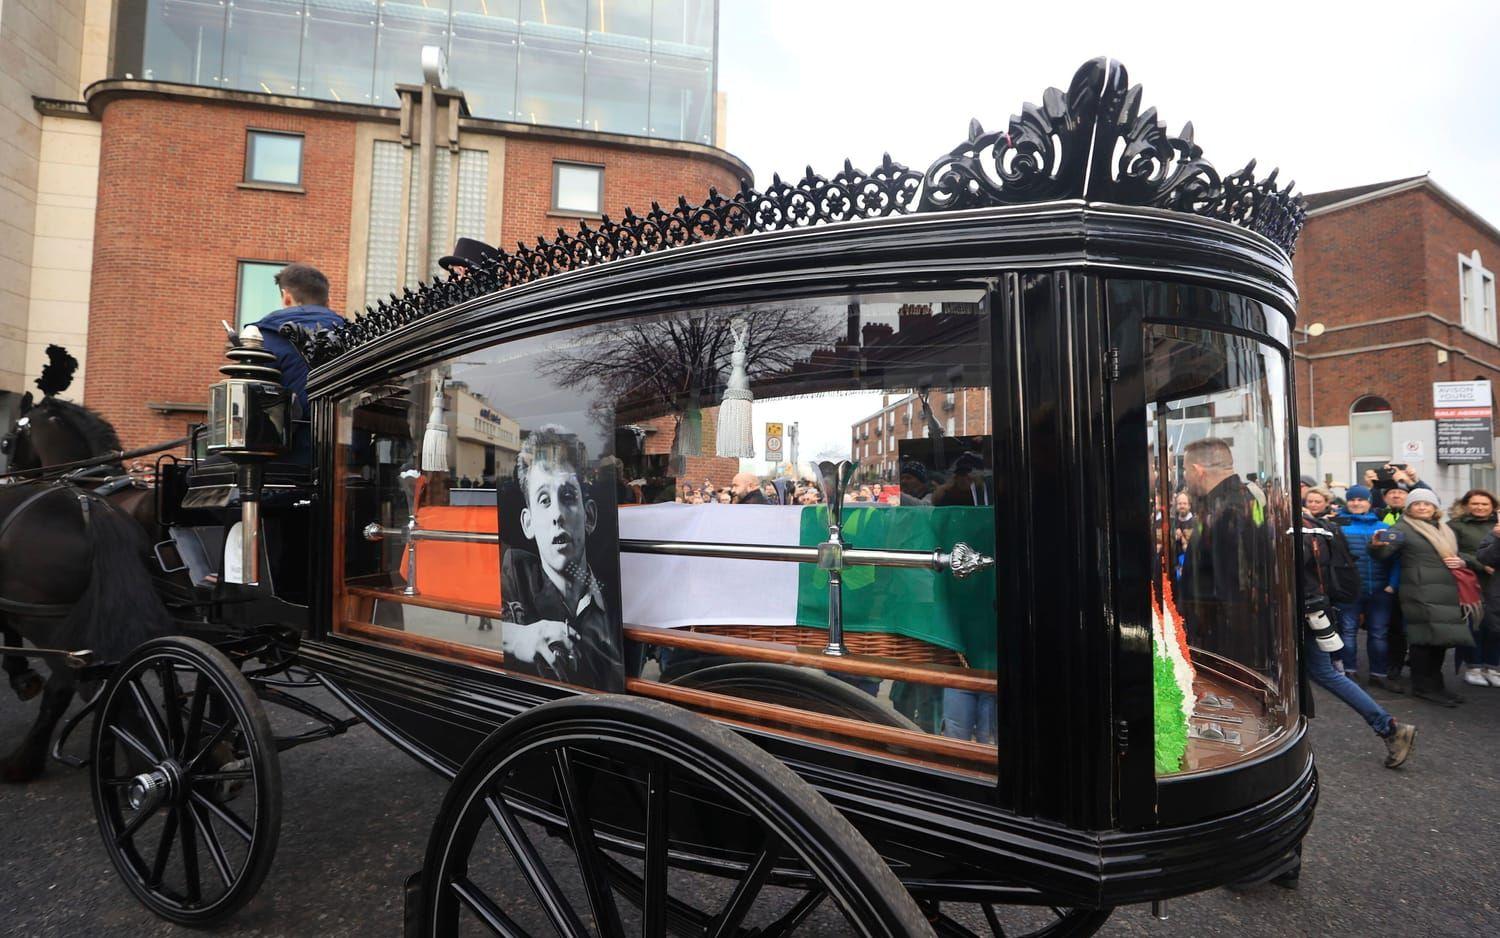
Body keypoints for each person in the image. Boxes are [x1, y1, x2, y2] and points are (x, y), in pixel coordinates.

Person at [499, 426, 624, 690]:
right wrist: (516, 637)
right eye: (544, 500)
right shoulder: (515, 571)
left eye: (567, 496)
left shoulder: (613, 597)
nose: (557, 513)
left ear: (589, 516)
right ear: (528, 522)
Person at [1299, 495, 1416, 768]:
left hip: (1301, 614)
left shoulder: (1294, 531)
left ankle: (1389, 727)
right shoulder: (1316, 526)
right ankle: (1389, 728)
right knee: (1323, 674)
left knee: (1320, 674)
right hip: (1316, 612)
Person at [1369, 488, 1477, 707]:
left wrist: (1464, 561)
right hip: (1419, 590)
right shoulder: (1403, 528)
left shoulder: (1442, 527)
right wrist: (1375, 546)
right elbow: (1383, 554)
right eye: (1416, 504)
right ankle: (1422, 686)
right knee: (1424, 639)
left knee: (1441, 641)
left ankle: (1437, 685)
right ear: (1409, 508)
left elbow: (1454, 554)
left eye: (1427, 504)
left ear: (1434, 507)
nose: (1422, 507)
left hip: (1445, 591)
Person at [250, 263, 345, 462]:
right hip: (343, 457)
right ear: (327, 301)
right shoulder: (353, 333)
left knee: (193, 475)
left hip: (285, 459)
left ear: (286, 297)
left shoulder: (263, 337)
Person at [1332, 485, 1398, 687]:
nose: (1356, 503)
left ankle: (1378, 673)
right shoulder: (1337, 527)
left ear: (1369, 502)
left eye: (1361, 500)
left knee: (1379, 633)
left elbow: (1396, 559)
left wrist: (1393, 584)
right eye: (1352, 500)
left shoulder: (1384, 528)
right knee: (1348, 631)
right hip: (1351, 590)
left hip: (1380, 589)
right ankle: (1349, 672)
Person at [1452, 489, 1500, 687]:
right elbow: (1454, 550)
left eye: (1484, 504)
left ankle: (1492, 666)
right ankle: (1474, 666)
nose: (1479, 507)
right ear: (1466, 505)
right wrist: (1482, 566)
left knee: (1495, 627)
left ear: (1493, 507)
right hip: (1469, 581)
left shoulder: (1496, 526)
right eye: (1475, 503)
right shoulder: (1455, 526)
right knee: (1474, 626)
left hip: (1494, 583)